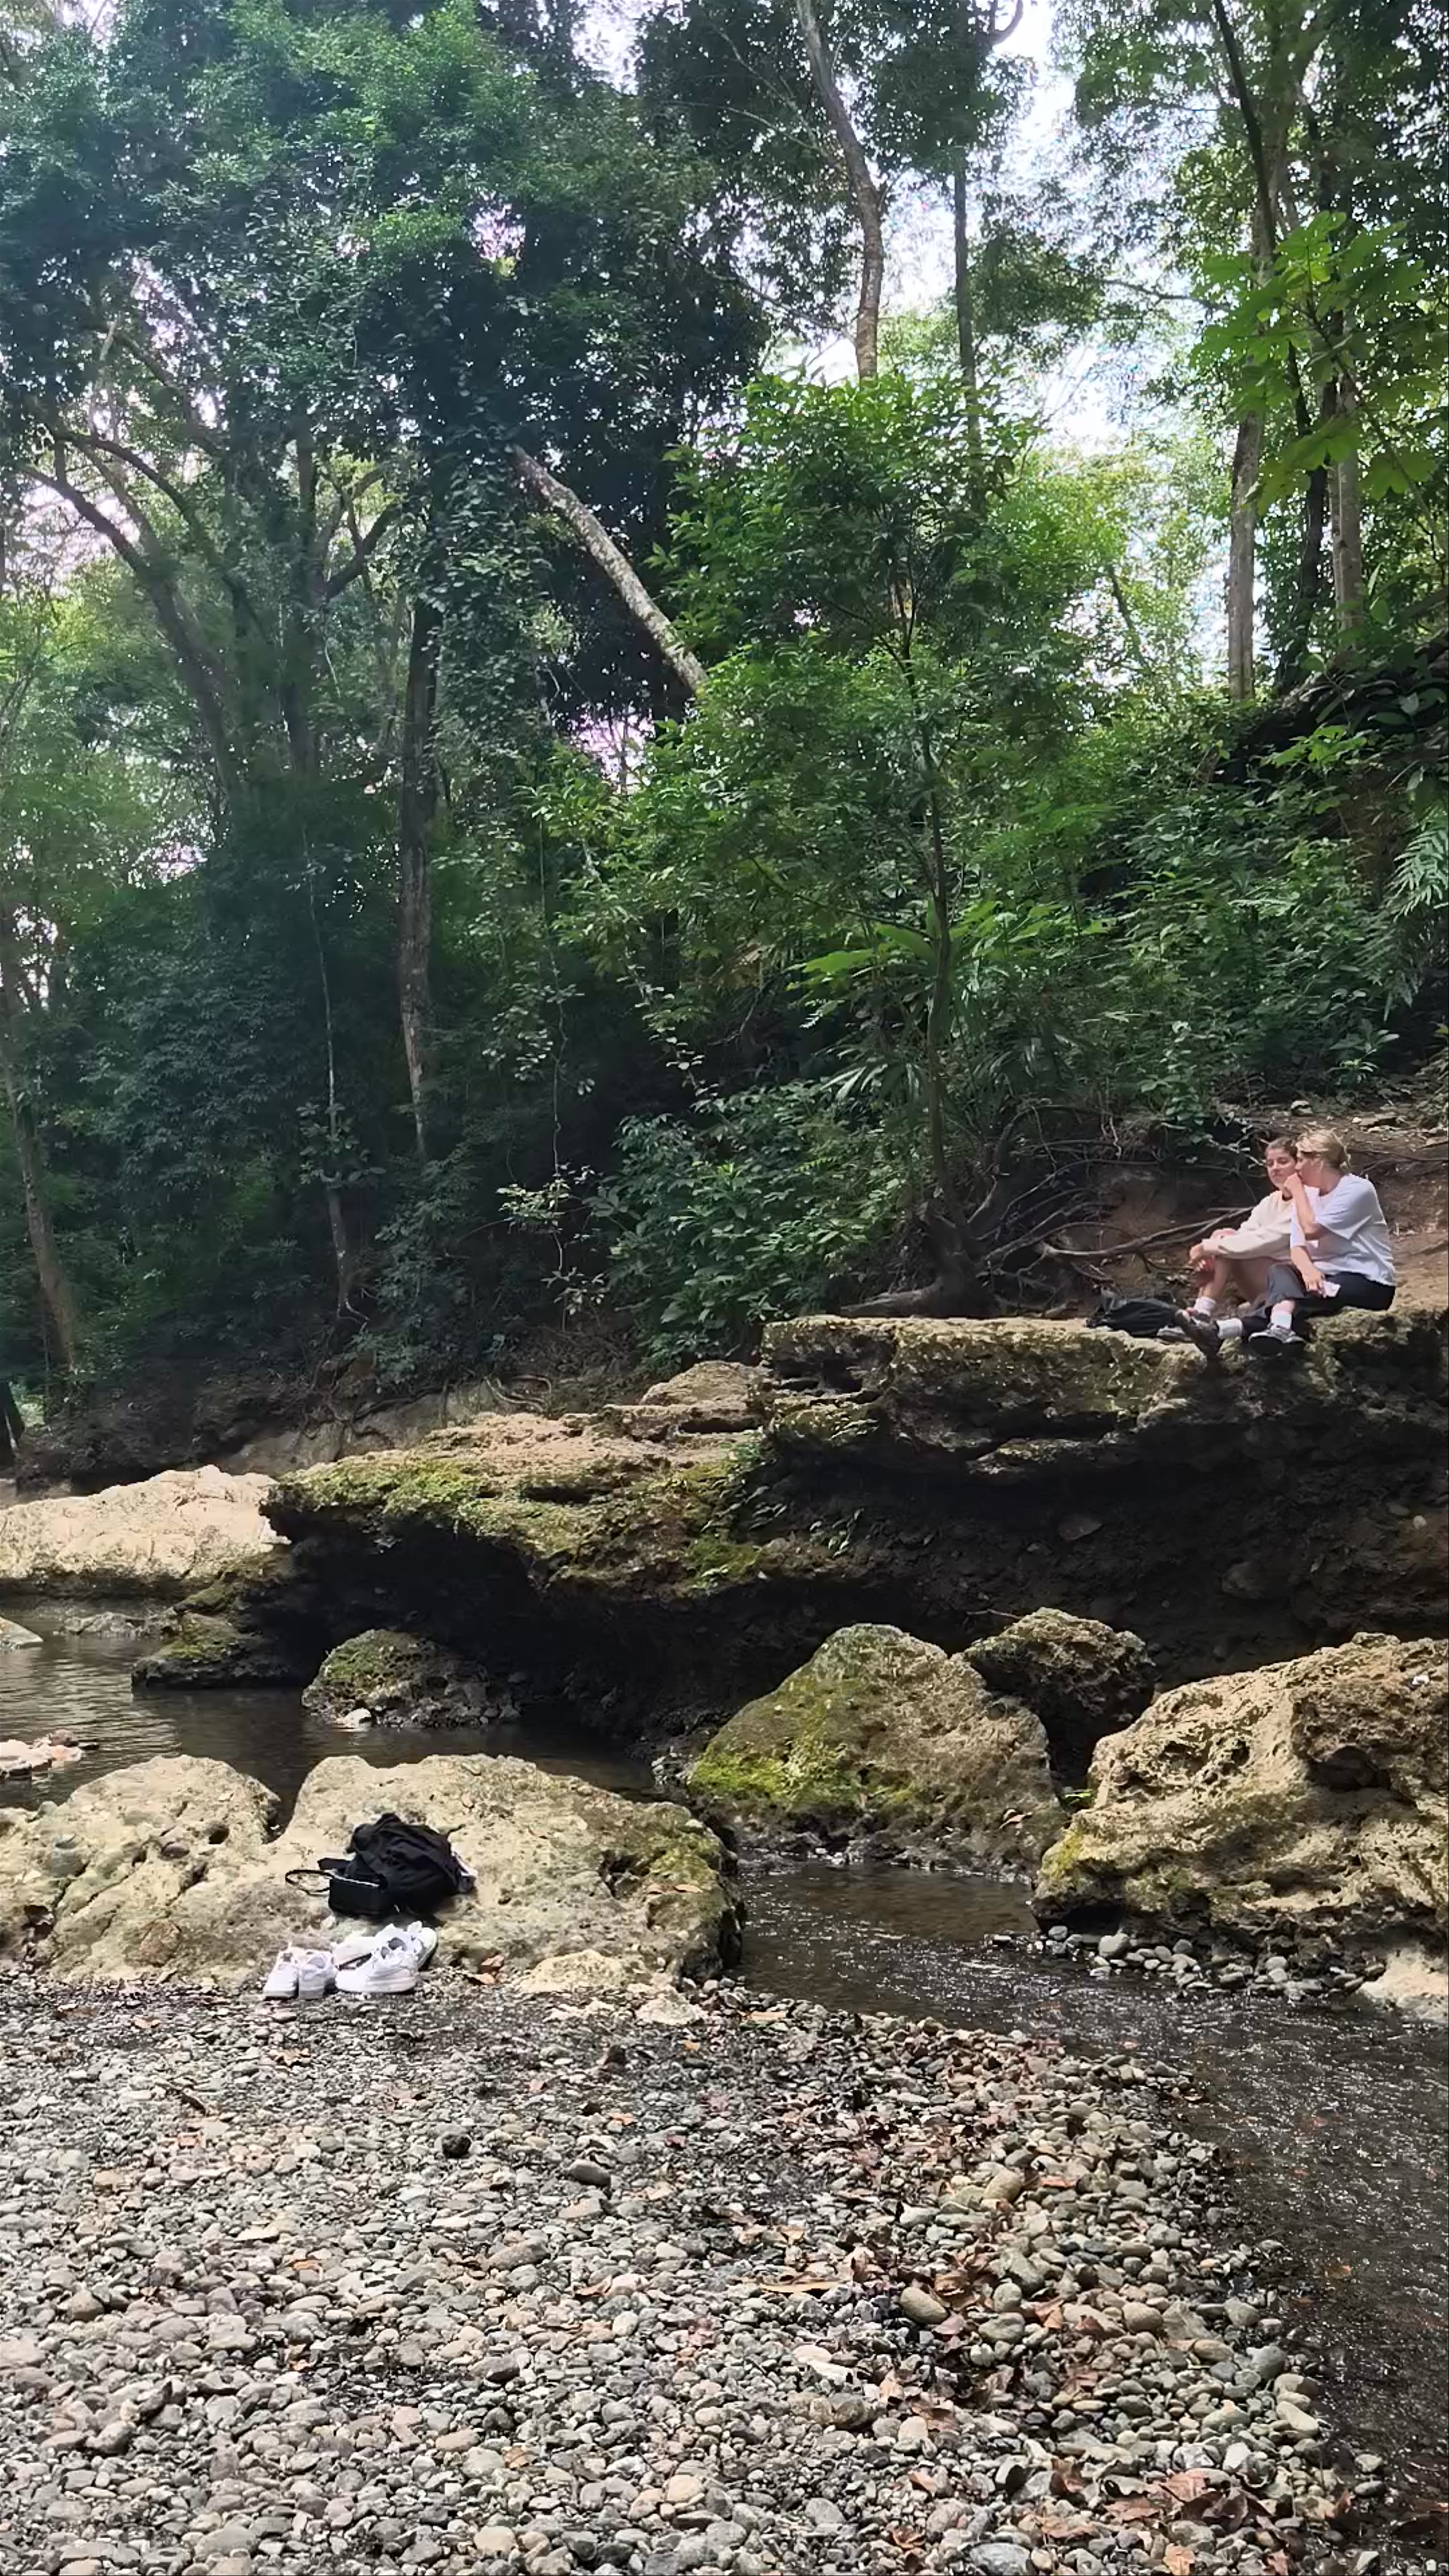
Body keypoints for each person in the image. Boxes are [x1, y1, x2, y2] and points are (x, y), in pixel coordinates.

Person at [1184, 1127, 1395, 1358]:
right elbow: (1298, 1246)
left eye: (1301, 1159)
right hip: (1325, 1276)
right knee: (1282, 1272)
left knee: (1293, 1299)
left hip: (1366, 1280)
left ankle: (1262, 1327)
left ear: (1320, 1160)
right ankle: (1230, 1331)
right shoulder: (1307, 1196)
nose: (1298, 1167)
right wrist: (1307, 1271)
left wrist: (1298, 1192)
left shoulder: (1357, 1190)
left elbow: (1312, 1230)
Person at [1170, 1137, 1299, 1349]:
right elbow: (1243, 1235)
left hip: (1290, 1287)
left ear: (1298, 1164)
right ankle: (1199, 1312)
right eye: (1270, 1164)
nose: (1275, 1169)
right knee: (1225, 1235)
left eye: (1283, 1162)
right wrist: (1210, 1251)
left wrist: (1206, 1248)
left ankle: (1202, 1312)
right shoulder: (1271, 1202)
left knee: (1225, 1243)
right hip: (1265, 1281)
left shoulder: (1306, 1200)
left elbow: (1267, 1241)